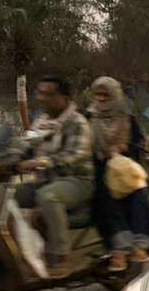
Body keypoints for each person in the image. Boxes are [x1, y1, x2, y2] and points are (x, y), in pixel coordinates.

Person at [15, 75, 94, 279]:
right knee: (12, 195)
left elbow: (76, 155)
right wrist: (8, 157)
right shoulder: (41, 122)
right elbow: (27, 144)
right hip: (47, 179)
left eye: (49, 94)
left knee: (48, 196)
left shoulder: (76, 122)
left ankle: (62, 256)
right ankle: (26, 248)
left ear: (64, 97)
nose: (42, 98)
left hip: (78, 180)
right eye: (40, 93)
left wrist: (44, 162)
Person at [87, 76, 149, 272]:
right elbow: (83, 146)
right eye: (98, 94)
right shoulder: (89, 117)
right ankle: (120, 249)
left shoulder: (127, 118)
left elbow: (139, 144)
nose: (101, 99)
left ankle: (140, 247)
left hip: (126, 170)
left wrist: (124, 148)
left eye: (105, 94)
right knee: (106, 198)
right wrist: (102, 155)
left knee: (140, 197)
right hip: (99, 170)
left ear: (115, 95)